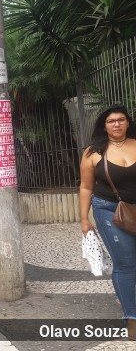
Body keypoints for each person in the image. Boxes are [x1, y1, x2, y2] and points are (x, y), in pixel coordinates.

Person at [79, 104, 136, 340]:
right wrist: (84, 219)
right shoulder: (93, 152)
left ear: (128, 123)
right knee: (126, 263)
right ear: (104, 125)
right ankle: (131, 317)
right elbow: (85, 187)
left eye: (121, 119)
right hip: (108, 209)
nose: (117, 124)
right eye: (111, 121)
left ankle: (124, 296)